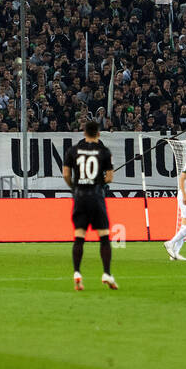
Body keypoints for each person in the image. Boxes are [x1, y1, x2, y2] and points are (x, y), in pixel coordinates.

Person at [62, 120, 117, 290]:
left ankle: (77, 273)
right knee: (104, 237)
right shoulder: (104, 152)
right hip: (96, 196)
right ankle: (106, 273)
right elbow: (109, 177)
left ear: (84, 132)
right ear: (98, 133)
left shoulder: (72, 151)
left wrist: (75, 187)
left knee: (79, 236)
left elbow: (65, 174)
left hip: (80, 197)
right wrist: (101, 182)